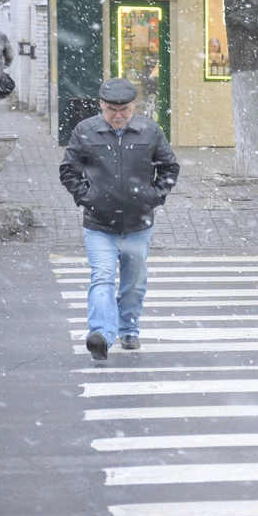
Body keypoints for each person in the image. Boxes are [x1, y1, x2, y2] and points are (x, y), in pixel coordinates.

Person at [59, 78, 180, 360]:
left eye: (124, 109)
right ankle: (100, 334)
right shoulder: (85, 131)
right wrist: (87, 198)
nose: (118, 115)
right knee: (101, 278)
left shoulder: (149, 131)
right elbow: (68, 171)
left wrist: (153, 197)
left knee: (134, 282)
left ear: (133, 106)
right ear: (101, 104)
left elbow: (169, 167)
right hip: (99, 224)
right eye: (112, 109)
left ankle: (129, 329)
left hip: (138, 224)